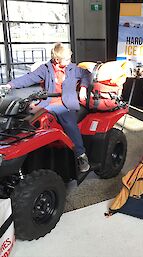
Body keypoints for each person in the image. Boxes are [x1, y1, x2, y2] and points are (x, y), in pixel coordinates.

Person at [0, 43, 91, 172]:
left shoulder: (73, 68)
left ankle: (81, 155)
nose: (69, 61)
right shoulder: (46, 69)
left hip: (65, 104)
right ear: (56, 59)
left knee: (69, 123)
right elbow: (29, 78)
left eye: (69, 58)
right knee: (26, 115)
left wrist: (83, 87)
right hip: (48, 102)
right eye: (66, 59)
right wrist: (10, 85)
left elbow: (87, 74)